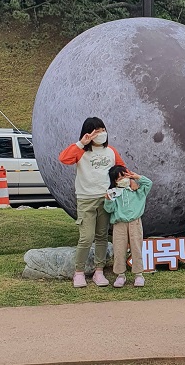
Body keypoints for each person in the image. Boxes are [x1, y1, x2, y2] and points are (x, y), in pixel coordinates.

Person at [59, 117, 125, 288]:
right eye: (97, 130)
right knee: (86, 237)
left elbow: (121, 169)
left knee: (102, 236)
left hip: (105, 199)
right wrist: (81, 143)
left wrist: (131, 181)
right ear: (88, 133)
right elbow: (64, 159)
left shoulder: (111, 151)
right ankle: (79, 272)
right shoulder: (81, 151)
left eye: (103, 130)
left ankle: (99, 271)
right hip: (86, 199)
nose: (101, 133)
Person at [104, 165, 153, 288]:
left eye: (124, 176)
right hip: (119, 224)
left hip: (135, 222)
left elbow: (148, 183)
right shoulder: (114, 192)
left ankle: (139, 275)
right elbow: (109, 209)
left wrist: (136, 177)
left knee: (136, 247)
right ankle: (120, 275)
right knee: (119, 248)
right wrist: (108, 200)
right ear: (114, 181)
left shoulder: (137, 191)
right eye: (118, 178)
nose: (122, 180)